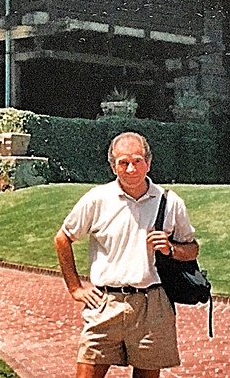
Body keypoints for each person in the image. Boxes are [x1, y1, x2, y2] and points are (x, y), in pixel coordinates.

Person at [54, 131, 199, 378]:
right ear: (113, 166)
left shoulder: (170, 202)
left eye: (137, 160)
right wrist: (75, 288)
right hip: (105, 303)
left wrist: (170, 249)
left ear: (148, 163)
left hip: (152, 305)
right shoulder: (98, 199)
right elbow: (62, 238)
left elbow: (192, 249)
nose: (131, 168)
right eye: (123, 162)